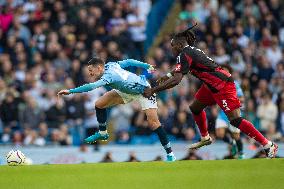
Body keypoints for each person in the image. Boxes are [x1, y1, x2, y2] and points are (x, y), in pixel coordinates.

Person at [143, 24, 278, 158]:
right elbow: (180, 69)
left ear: (178, 45)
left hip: (222, 85)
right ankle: (205, 137)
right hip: (211, 85)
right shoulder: (192, 51)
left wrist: (154, 90)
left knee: (235, 120)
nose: (171, 49)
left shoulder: (183, 54)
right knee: (195, 107)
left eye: (172, 46)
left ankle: (267, 144)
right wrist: (167, 76)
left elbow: (177, 80)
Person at [58, 57, 176, 161]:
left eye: (91, 70)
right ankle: (103, 132)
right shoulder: (111, 64)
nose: (90, 73)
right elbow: (129, 61)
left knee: (153, 123)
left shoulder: (109, 76)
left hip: (144, 91)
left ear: (99, 68)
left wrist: (71, 91)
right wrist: (146, 65)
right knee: (99, 104)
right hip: (126, 91)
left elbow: (92, 86)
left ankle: (170, 154)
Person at [215, 65, 244, 159]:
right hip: (222, 114)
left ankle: (241, 153)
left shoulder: (235, 84)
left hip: (234, 113)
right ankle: (231, 143)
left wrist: (231, 100)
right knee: (219, 134)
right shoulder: (217, 84)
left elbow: (242, 98)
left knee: (236, 136)